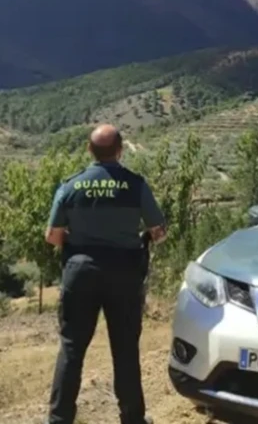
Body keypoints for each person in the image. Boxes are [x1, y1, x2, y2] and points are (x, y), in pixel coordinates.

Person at [45, 124, 167, 424]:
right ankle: (133, 418)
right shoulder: (136, 185)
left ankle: (59, 420)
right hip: (124, 274)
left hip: (81, 272)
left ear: (90, 151)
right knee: (125, 350)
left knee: (72, 349)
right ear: (120, 150)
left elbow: (52, 236)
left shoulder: (71, 186)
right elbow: (159, 231)